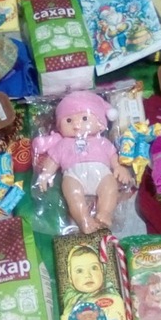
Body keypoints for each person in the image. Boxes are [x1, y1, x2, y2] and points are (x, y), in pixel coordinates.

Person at [34, 90, 133, 234]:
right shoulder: (63, 144)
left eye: (84, 118)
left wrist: (118, 167)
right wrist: (45, 175)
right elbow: (53, 160)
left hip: (102, 174)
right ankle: (83, 220)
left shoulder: (102, 141)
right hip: (74, 176)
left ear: (100, 124)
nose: (76, 124)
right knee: (73, 195)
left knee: (110, 187)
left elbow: (113, 155)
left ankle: (104, 213)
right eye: (69, 120)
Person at [61, 244, 126, 320]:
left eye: (94, 268)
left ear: (102, 270)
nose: (88, 275)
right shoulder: (71, 302)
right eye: (79, 270)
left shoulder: (112, 296)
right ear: (70, 277)